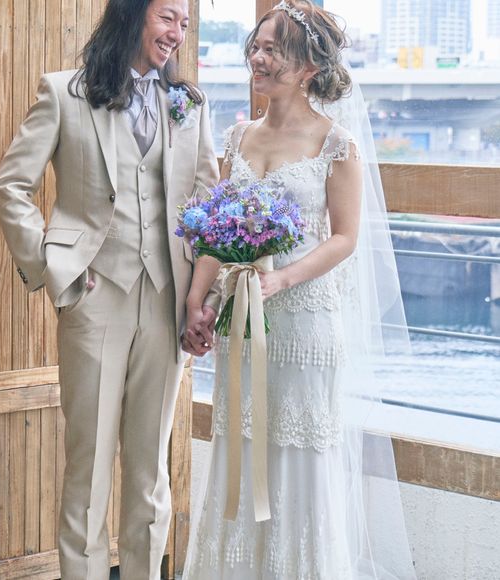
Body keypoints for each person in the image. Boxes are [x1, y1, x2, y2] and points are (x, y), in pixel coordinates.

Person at [182, 1, 417, 578]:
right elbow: (217, 231)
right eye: (256, 47)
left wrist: (282, 278)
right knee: (239, 448)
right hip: (241, 321)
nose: (258, 59)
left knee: (298, 455)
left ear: (309, 68)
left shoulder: (336, 143)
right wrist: (197, 301)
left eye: (273, 51)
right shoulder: (239, 137)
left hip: (306, 324)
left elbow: (345, 238)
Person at [0, 0, 219, 578]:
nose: (177, 33)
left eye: (185, 23)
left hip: (167, 300)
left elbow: (207, 209)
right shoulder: (63, 92)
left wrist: (203, 300)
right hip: (94, 300)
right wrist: (53, 265)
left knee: (150, 472)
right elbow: (12, 185)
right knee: (89, 468)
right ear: (132, 13)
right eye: (167, 17)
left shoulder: (189, 106)